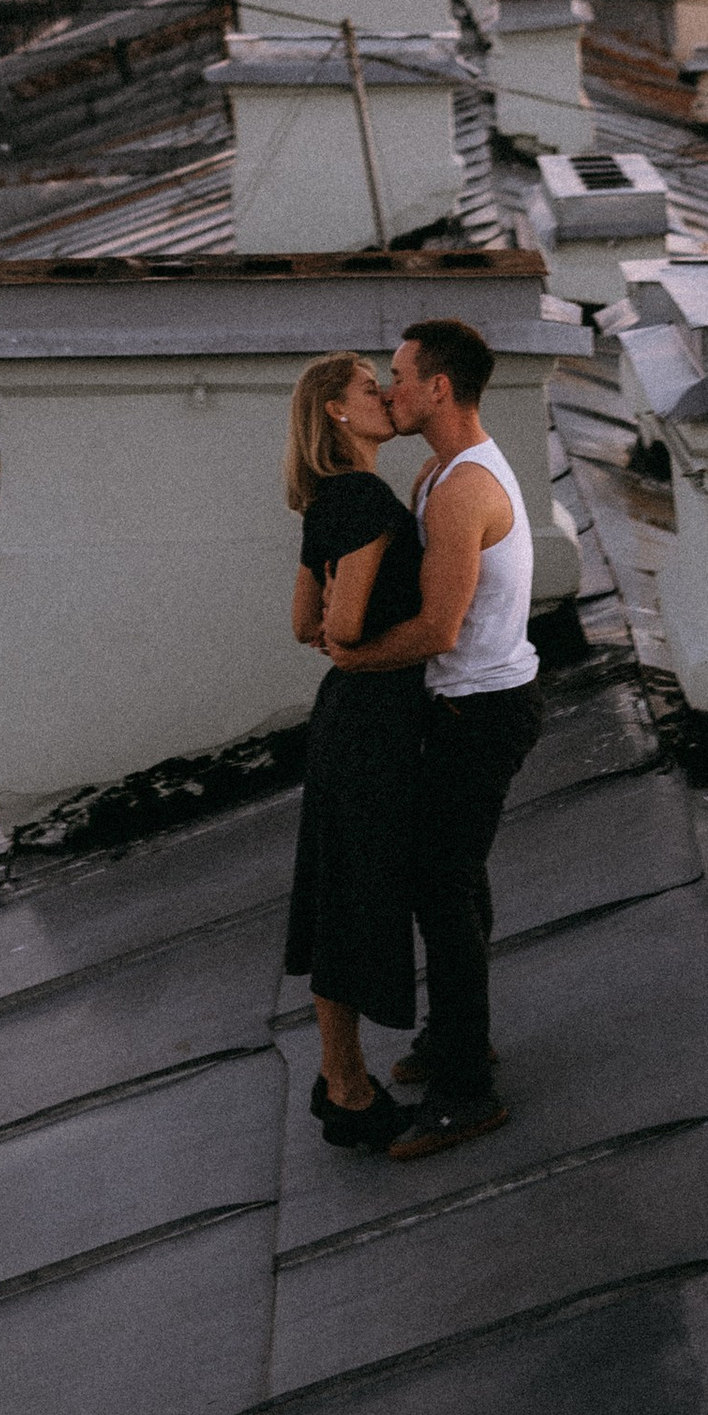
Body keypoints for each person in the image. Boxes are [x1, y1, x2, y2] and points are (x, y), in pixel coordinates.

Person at [323, 315, 540, 1159]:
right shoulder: (438, 473)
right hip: (462, 709)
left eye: (400, 377)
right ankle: (461, 1038)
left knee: (441, 888)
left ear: (440, 387)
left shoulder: (460, 491)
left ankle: (466, 1094)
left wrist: (351, 655)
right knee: (448, 880)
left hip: (480, 713)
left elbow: (437, 630)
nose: (387, 390)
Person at [281, 351, 426, 1153]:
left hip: (343, 720)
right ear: (337, 411)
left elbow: (302, 623)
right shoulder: (365, 497)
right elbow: (334, 630)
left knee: (335, 900)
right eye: (372, 389)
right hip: (372, 719)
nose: (388, 397)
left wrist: (341, 622)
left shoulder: (327, 500)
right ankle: (347, 1088)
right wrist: (368, 635)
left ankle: (344, 1079)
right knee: (357, 899)